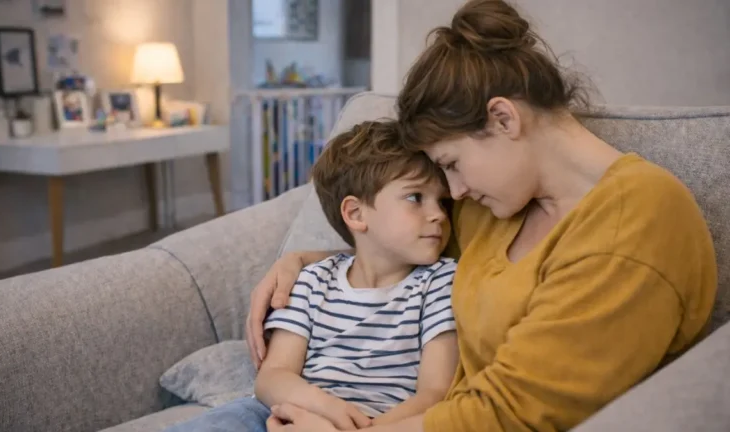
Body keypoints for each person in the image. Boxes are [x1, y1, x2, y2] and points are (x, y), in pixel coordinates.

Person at [248, 1, 719, 431]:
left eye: (452, 164)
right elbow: (406, 251)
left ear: (504, 119)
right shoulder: (498, 207)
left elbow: (509, 416)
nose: (454, 193)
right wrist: (308, 261)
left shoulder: (637, 222)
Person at [165, 120, 459, 432]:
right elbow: (274, 375)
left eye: (443, 201)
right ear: (356, 214)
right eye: (416, 197)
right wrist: (322, 405)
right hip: (296, 412)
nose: (439, 214)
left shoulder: (440, 282)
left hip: (382, 422)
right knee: (232, 417)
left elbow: (435, 394)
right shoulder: (312, 280)